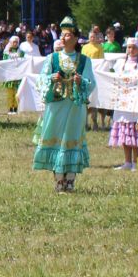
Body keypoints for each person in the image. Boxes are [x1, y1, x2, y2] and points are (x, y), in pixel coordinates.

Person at [34, 23, 95, 193]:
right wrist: (51, 78)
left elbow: (91, 83)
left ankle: (70, 180)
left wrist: (80, 81)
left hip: (75, 107)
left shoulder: (84, 61)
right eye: (62, 34)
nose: (63, 37)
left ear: (76, 39)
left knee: (72, 138)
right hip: (56, 105)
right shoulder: (52, 58)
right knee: (56, 137)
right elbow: (41, 80)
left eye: (67, 35)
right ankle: (58, 179)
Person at [108, 39, 138, 170]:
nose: (131, 50)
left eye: (133, 48)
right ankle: (127, 161)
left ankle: (136, 162)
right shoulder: (120, 63)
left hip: (136, 103)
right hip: (123, 101)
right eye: (129, 48)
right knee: (125, 132)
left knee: (135, 132)